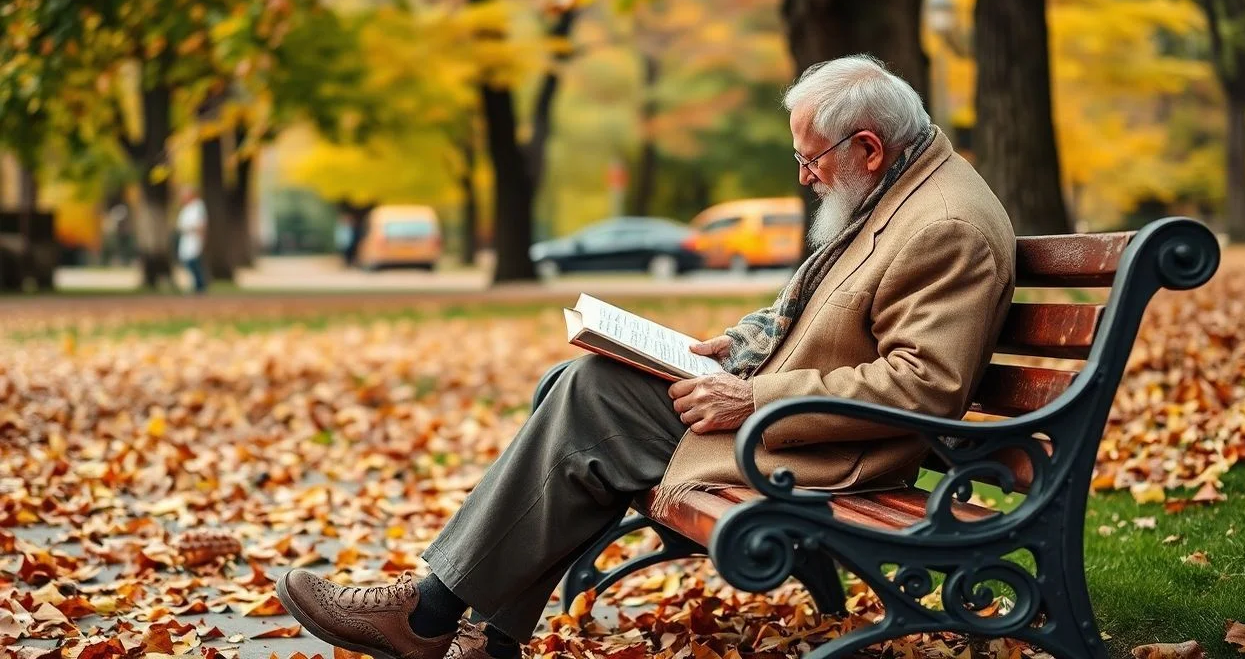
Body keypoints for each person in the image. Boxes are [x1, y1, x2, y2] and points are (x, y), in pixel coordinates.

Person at [275, 54, 1017, 659]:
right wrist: (744, 343)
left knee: (591, 394)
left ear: (867, 146)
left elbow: (924, 384)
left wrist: (751, 398)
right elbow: (839, 309)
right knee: (575, 381)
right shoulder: (900, 188)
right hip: (798, 419)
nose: (804, 176)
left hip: (828, 449)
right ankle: (486, 631)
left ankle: (429, 616)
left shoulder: (943, 223)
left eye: (810, 158)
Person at [175, 186, 207, 293]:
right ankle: (196, 284)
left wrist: (201, 238)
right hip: (186, 238)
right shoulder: (187, 208)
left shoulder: (197, 206)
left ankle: (200, 284)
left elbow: (201, 224)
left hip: (193, 238)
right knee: (187, 261)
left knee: (192, 261)